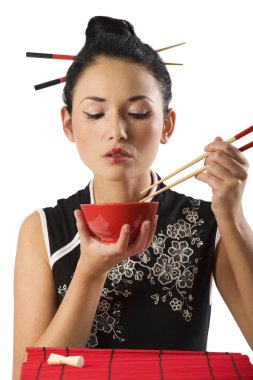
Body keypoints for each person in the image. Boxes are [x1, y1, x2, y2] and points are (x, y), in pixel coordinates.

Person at [13, 15, 253, 380]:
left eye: (138, 113)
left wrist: (232, 215)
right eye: (95, 113)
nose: (117, 132)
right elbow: (29, 375)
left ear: (167, 125)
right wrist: (90, 274)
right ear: (68, 124)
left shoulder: (209, 222)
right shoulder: (44, 229)